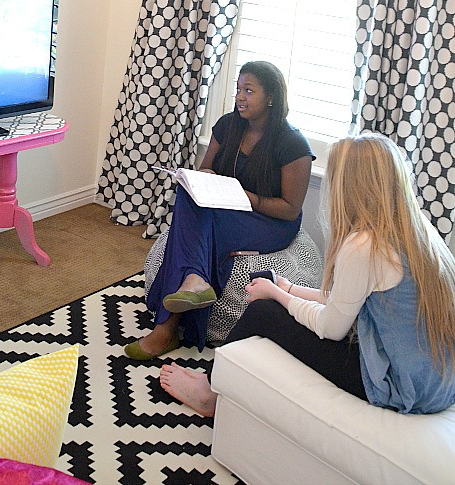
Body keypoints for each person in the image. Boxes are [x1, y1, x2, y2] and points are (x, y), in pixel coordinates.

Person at [160, 133, 455, 416]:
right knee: (271, 289)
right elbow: (349, 301)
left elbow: (332, 327)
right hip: (436, 382)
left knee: (263, 311)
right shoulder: (417, 233)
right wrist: (288, 287)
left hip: (399, 386)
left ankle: (210, 392)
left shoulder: (364, 245)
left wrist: (276, 295)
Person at [125, 60, 313, 360]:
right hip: (227, 208)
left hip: (270, 221)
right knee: (188, 194)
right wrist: (206, 179)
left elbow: (290, 210)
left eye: (249, 90)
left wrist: (244, 196)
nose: (240, 97)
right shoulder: (228, 125)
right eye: (238, 89)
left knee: (199, 223)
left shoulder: (293, 143)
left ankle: (167, 327)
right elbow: (205, 170)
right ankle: (194, 283)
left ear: (271, 97)